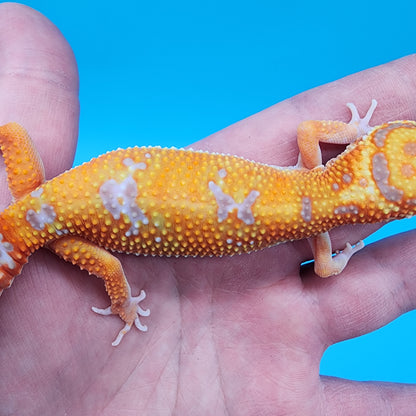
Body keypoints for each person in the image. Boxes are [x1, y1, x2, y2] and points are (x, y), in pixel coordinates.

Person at [0, 3, 415, 415]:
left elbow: (309, 130)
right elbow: (325, 269)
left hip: (53, 204)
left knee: (13, 135)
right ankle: (123, 306)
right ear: (382, 213)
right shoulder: (319, 234)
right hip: (62, 224)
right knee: (111, 271)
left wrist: (352, 131)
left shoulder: (314, 165)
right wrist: (345, 254)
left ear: (361, 150)